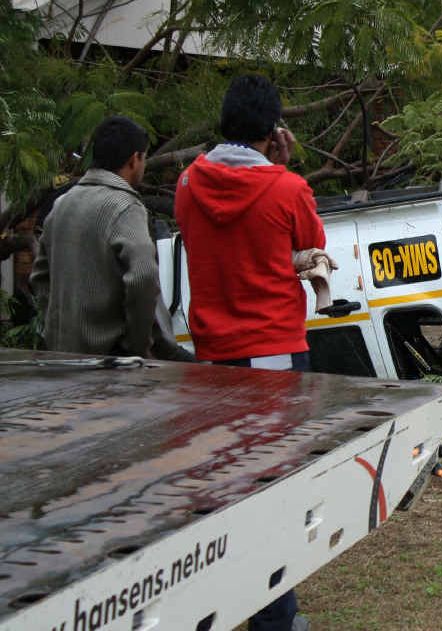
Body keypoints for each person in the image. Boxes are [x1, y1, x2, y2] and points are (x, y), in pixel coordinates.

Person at [174, 74, 323, 631]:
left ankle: (220, 607)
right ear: (273, 130)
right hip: (273, 351)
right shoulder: (287, 188)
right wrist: (282, 167)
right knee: (272, 490)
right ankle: (275, 618)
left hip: (213, 354)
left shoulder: (188, 183)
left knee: (224, 487)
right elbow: (311, 247)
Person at [30, 115, 190, 360]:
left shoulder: (62, 204)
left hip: (62, 356)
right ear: (134, 159)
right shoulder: (125, 206)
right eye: (144, 158)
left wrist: (58, 327)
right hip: (109, 361)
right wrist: (137, 345)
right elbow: (143, 277)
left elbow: (40, 276)